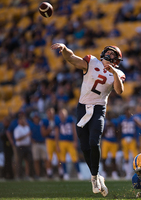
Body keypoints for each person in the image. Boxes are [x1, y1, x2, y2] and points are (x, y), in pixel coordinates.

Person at [51, 43, 125, 196]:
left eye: (113, 55)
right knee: (84, 145)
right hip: (82, 107)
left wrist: (115, 73)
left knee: (94, 141)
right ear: (104, 52)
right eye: (109, 53)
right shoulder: (91, 62)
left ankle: (94, 176)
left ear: (116, 60)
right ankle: (96, 176)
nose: (110, 56)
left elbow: (119, 90)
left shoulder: (117, 73)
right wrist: (64, 49)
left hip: (98, 108)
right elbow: (72, 58)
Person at [55, 108, 82, 181]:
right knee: (62, 159)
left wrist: (75, 141)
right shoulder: (58, 121)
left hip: (70, 142)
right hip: (62, 142)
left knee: (75, 158)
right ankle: (65, 174)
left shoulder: (70, 120)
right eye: (61, 113)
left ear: (66, 114)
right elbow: (57, 134)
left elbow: (74, 131)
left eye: (63, 113)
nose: (62, 115)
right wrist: (57, 145)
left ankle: (79, 174)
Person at [118, 107, 141, 179]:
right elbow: (119, 129)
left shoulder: (135, 119)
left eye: (129, 111)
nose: (128, 112)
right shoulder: (121, 118)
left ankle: (138, 173)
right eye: (127, 111)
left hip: (132, 139)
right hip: (124, 139)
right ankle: (128, 174)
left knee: (135, 157)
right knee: (126, 157)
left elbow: (139, 128)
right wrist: (119, 140)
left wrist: (137, 140)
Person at [41, 107, 63, 179]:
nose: (50, 114)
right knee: (49, 157)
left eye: (51, 112)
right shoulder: (44, 121)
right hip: (49, 140)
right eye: (49, 112)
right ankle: (49, 173)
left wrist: (57, 143)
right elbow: (43, 133)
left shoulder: (57, 119)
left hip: (57, 140)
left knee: (59, 157)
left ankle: (61, 172)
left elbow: (57, 132)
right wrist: (49, 129)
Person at [14, 115, 34, 180]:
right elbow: (17, 139)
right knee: (19, 162)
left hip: (27, 146)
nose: (23, 121)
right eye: (21, 120)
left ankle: (29, 175)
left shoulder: (27, 128)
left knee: (30, 161)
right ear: (19, 121)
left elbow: (29, 137)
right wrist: (26, 135)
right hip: (20, 147)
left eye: (24, 120)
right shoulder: (17, 129)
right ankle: (19, 176)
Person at [29, 112, 47, 179]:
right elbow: (29, 134)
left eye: (37, 118)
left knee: (46, 159)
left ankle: (48, 173)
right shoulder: (31, 125)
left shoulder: (41, 125)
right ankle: (38, 174)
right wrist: (31, 140)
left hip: (42, 143)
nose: (36, 119)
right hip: (35, 144)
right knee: (36, 160)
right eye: (35, 118)